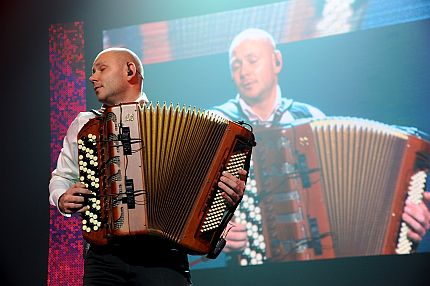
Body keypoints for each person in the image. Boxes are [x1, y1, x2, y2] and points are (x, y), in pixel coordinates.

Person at [210, 28, 430, 265]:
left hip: (314, 268)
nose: (244, 71)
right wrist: (216, 231)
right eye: (236, 65)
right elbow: (192, 200)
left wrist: (404, 219)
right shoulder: (220, 124)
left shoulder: (312, 119)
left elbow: (345, 193)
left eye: (252, 61)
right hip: (245, 271)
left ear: (277, 61)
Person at [49, 47, 247, 285]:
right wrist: (61, 197)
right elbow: (61, 176)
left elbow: (214, 190)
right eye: (92, 71)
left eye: (101, 69)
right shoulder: (85, 125)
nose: (92, 77)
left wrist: (227, 196)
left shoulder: (180, 128)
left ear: (130, 70)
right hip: (104, 258)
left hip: (164, 258)